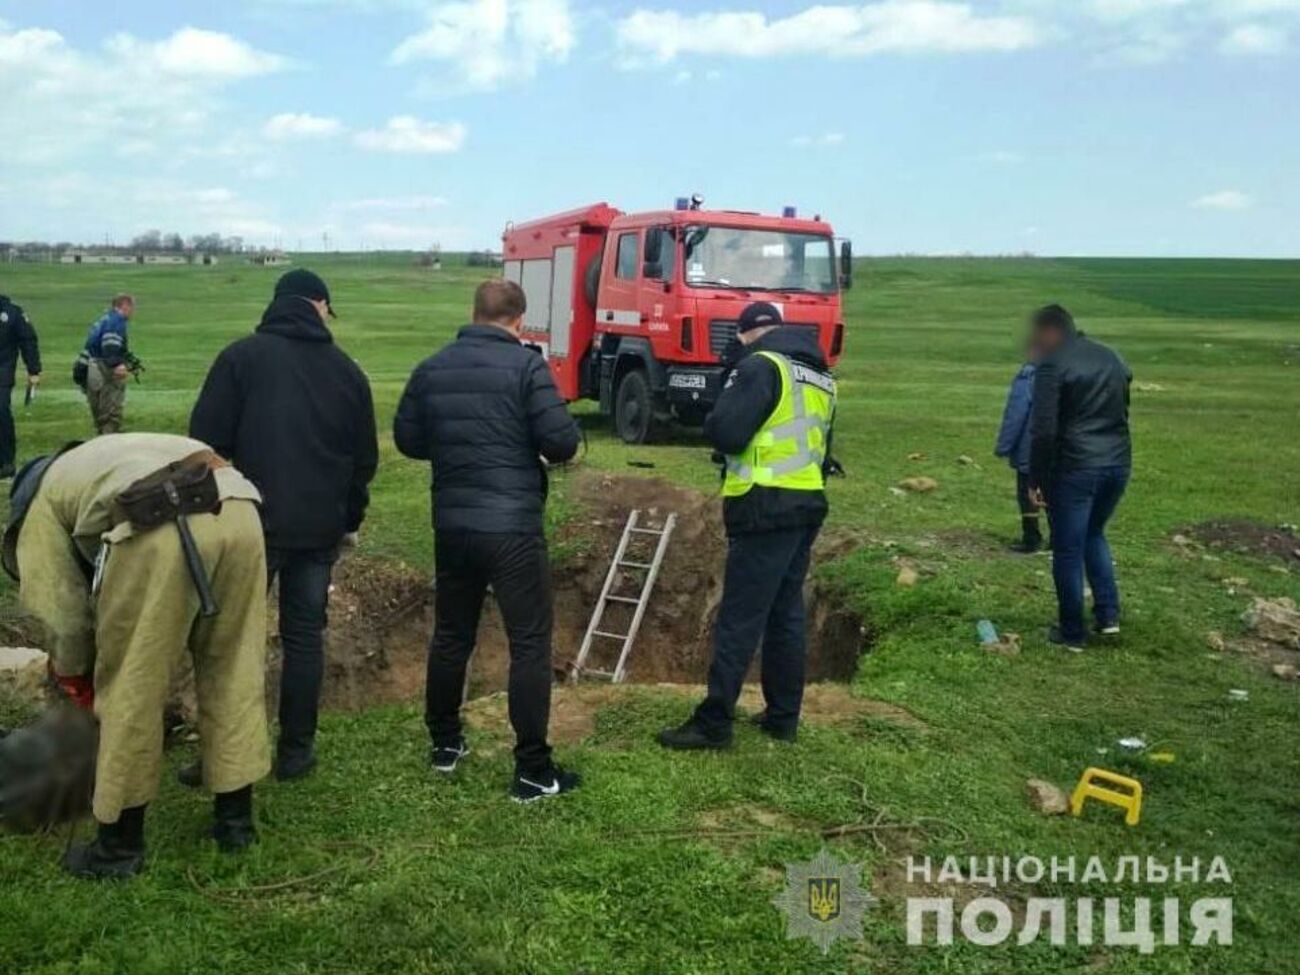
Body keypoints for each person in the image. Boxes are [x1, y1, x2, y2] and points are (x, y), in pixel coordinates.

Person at [3, 434, 270, 878]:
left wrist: (74, 677)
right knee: (233, 667)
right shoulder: (107, 454)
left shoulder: (42, 504)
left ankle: (118, 850)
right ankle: (235, 824)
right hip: (241, 508)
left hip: (159, 523)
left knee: (131, 685)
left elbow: (63, 617)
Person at [393, 279, 581, 802]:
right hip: (513, 525)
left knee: (452, 634)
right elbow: (561, 442)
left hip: (452, 522)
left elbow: (408, 439)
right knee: (528, 644)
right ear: (519, 321)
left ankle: (445, 745)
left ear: (474, 314)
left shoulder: (432, 367)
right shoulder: (527, 367)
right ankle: (532, 771)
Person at [189, 269, 378, 780]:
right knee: (303, 640)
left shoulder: (240, 359)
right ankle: (295, 751)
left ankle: (219, 753)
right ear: (319, 305)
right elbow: (364, 461)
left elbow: (203, 444)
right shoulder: (347, 372)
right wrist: (347, 521)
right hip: (319, 531)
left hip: (249, 525)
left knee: (230, 640)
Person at [658, 301, 837, 750]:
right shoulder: (817, 374)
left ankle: (714, 722)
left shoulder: (760, 367)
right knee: (785, 613)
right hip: (806, 501)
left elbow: (728, 433)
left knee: (740, 617)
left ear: (743, 334)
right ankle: (782, 716)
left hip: (763, 504)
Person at [1026, 304, 1133, 652]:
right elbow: (1123, 407)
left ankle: (1072, 633)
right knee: (1094, 534)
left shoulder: (1052, 366)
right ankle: (1108, 617)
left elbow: (1043, 431)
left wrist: (1036, 478)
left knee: (1068, 549)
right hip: (1117, 463)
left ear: (1049, 331)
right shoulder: (1111, 357)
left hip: (1075, 466)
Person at [994, 338, 1043, 553]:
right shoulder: (1067, 374)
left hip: (1031, 445)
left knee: (1027, 491)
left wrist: (1004, 445)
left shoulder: (1029, 375)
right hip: (1062, 448)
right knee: (1055, 491)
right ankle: (1061, 537)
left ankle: (1031, 537)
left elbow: (1016, 413)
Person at [77, 293, 135, 435]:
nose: (133, 312)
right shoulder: (116, 321)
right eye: (132, 307)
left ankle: (101, 440)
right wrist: (117, 364)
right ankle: (109, 442)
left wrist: (80, 372)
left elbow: (88, 347)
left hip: (92, 368)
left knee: (99, 410)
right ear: (125, 306)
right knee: (110, 412)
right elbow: (110, 343)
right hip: (106, 368)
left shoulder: (101, 321)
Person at [0, 294, 42, 477]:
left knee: (1, 411)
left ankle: (6, 461)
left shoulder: (12, 312)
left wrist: (33, 370)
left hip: (2, 369)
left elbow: (28, 340)